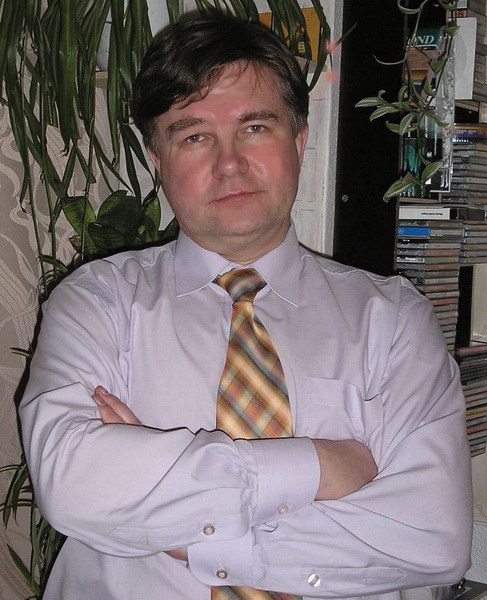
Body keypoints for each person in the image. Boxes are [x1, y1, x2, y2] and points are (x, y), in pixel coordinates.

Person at [19, 13, 472, 600]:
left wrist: (194, 537)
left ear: (299, 141)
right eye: (193, 136)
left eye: (255, 127)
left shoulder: (393, 320)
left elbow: (432, 538)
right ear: (158, 160)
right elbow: (73, 485)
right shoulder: (95, 302)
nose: (228, 163)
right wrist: (320, 465)